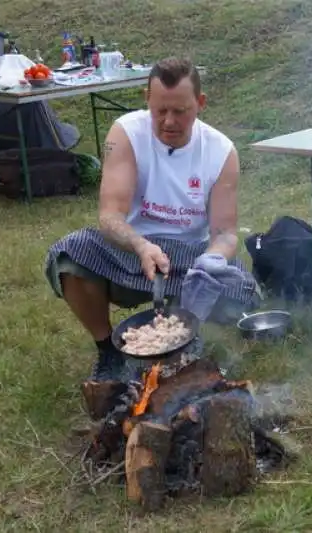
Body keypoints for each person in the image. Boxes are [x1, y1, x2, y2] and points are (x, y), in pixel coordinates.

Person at [44, 57, 260, 381]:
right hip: (131, 248)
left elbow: (226, 233)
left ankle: (188, 338)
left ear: (200, 104)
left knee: (243, 289)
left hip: (190, 254)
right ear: (147, 99)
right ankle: (108, 351)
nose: (169, 122)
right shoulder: (127, 133)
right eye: (160, 111)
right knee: (71, 254)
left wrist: (211, 261)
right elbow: (110, 215)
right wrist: (140, 245)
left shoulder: (221, 151)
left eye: (180, 111)